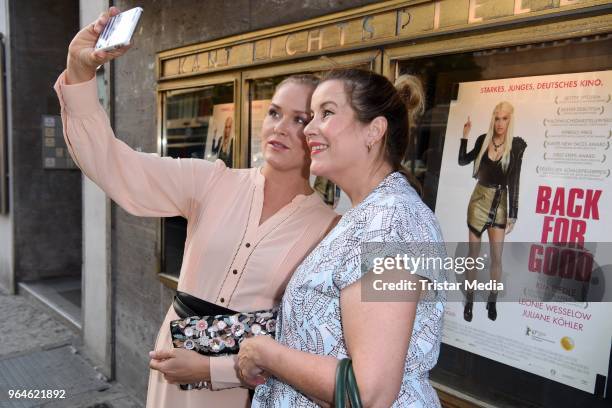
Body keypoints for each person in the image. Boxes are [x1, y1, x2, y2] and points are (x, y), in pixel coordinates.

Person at [54, 7, 337, 408]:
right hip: (173, 365)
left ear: (318, 132)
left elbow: (310, 339)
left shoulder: (330, 227)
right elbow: (113, 164)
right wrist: (80, 72)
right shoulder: (212, 181)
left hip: (245, 387)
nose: (280, 127)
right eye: (274, 112)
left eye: (299, 119)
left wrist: (214, 369)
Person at [237, 69, 447, 408]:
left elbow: (368, 393)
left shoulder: (390, 222)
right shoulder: (369, 215)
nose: (308, 129)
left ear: (374, 131)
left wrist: (265, 351)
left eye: (327, 113)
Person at [458, 102, 527, 322]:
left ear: (510, 120)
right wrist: (465, 136)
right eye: (497, 118)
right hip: (478, 201)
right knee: (473, 257)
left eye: (504, 118)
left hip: (500, 203)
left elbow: (514, 181)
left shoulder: (515, 147)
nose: (500, 123)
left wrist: (513, 213)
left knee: (497, 258)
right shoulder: (483, 140)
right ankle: (469, 300)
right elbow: (462, 160)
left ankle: (492, 300)